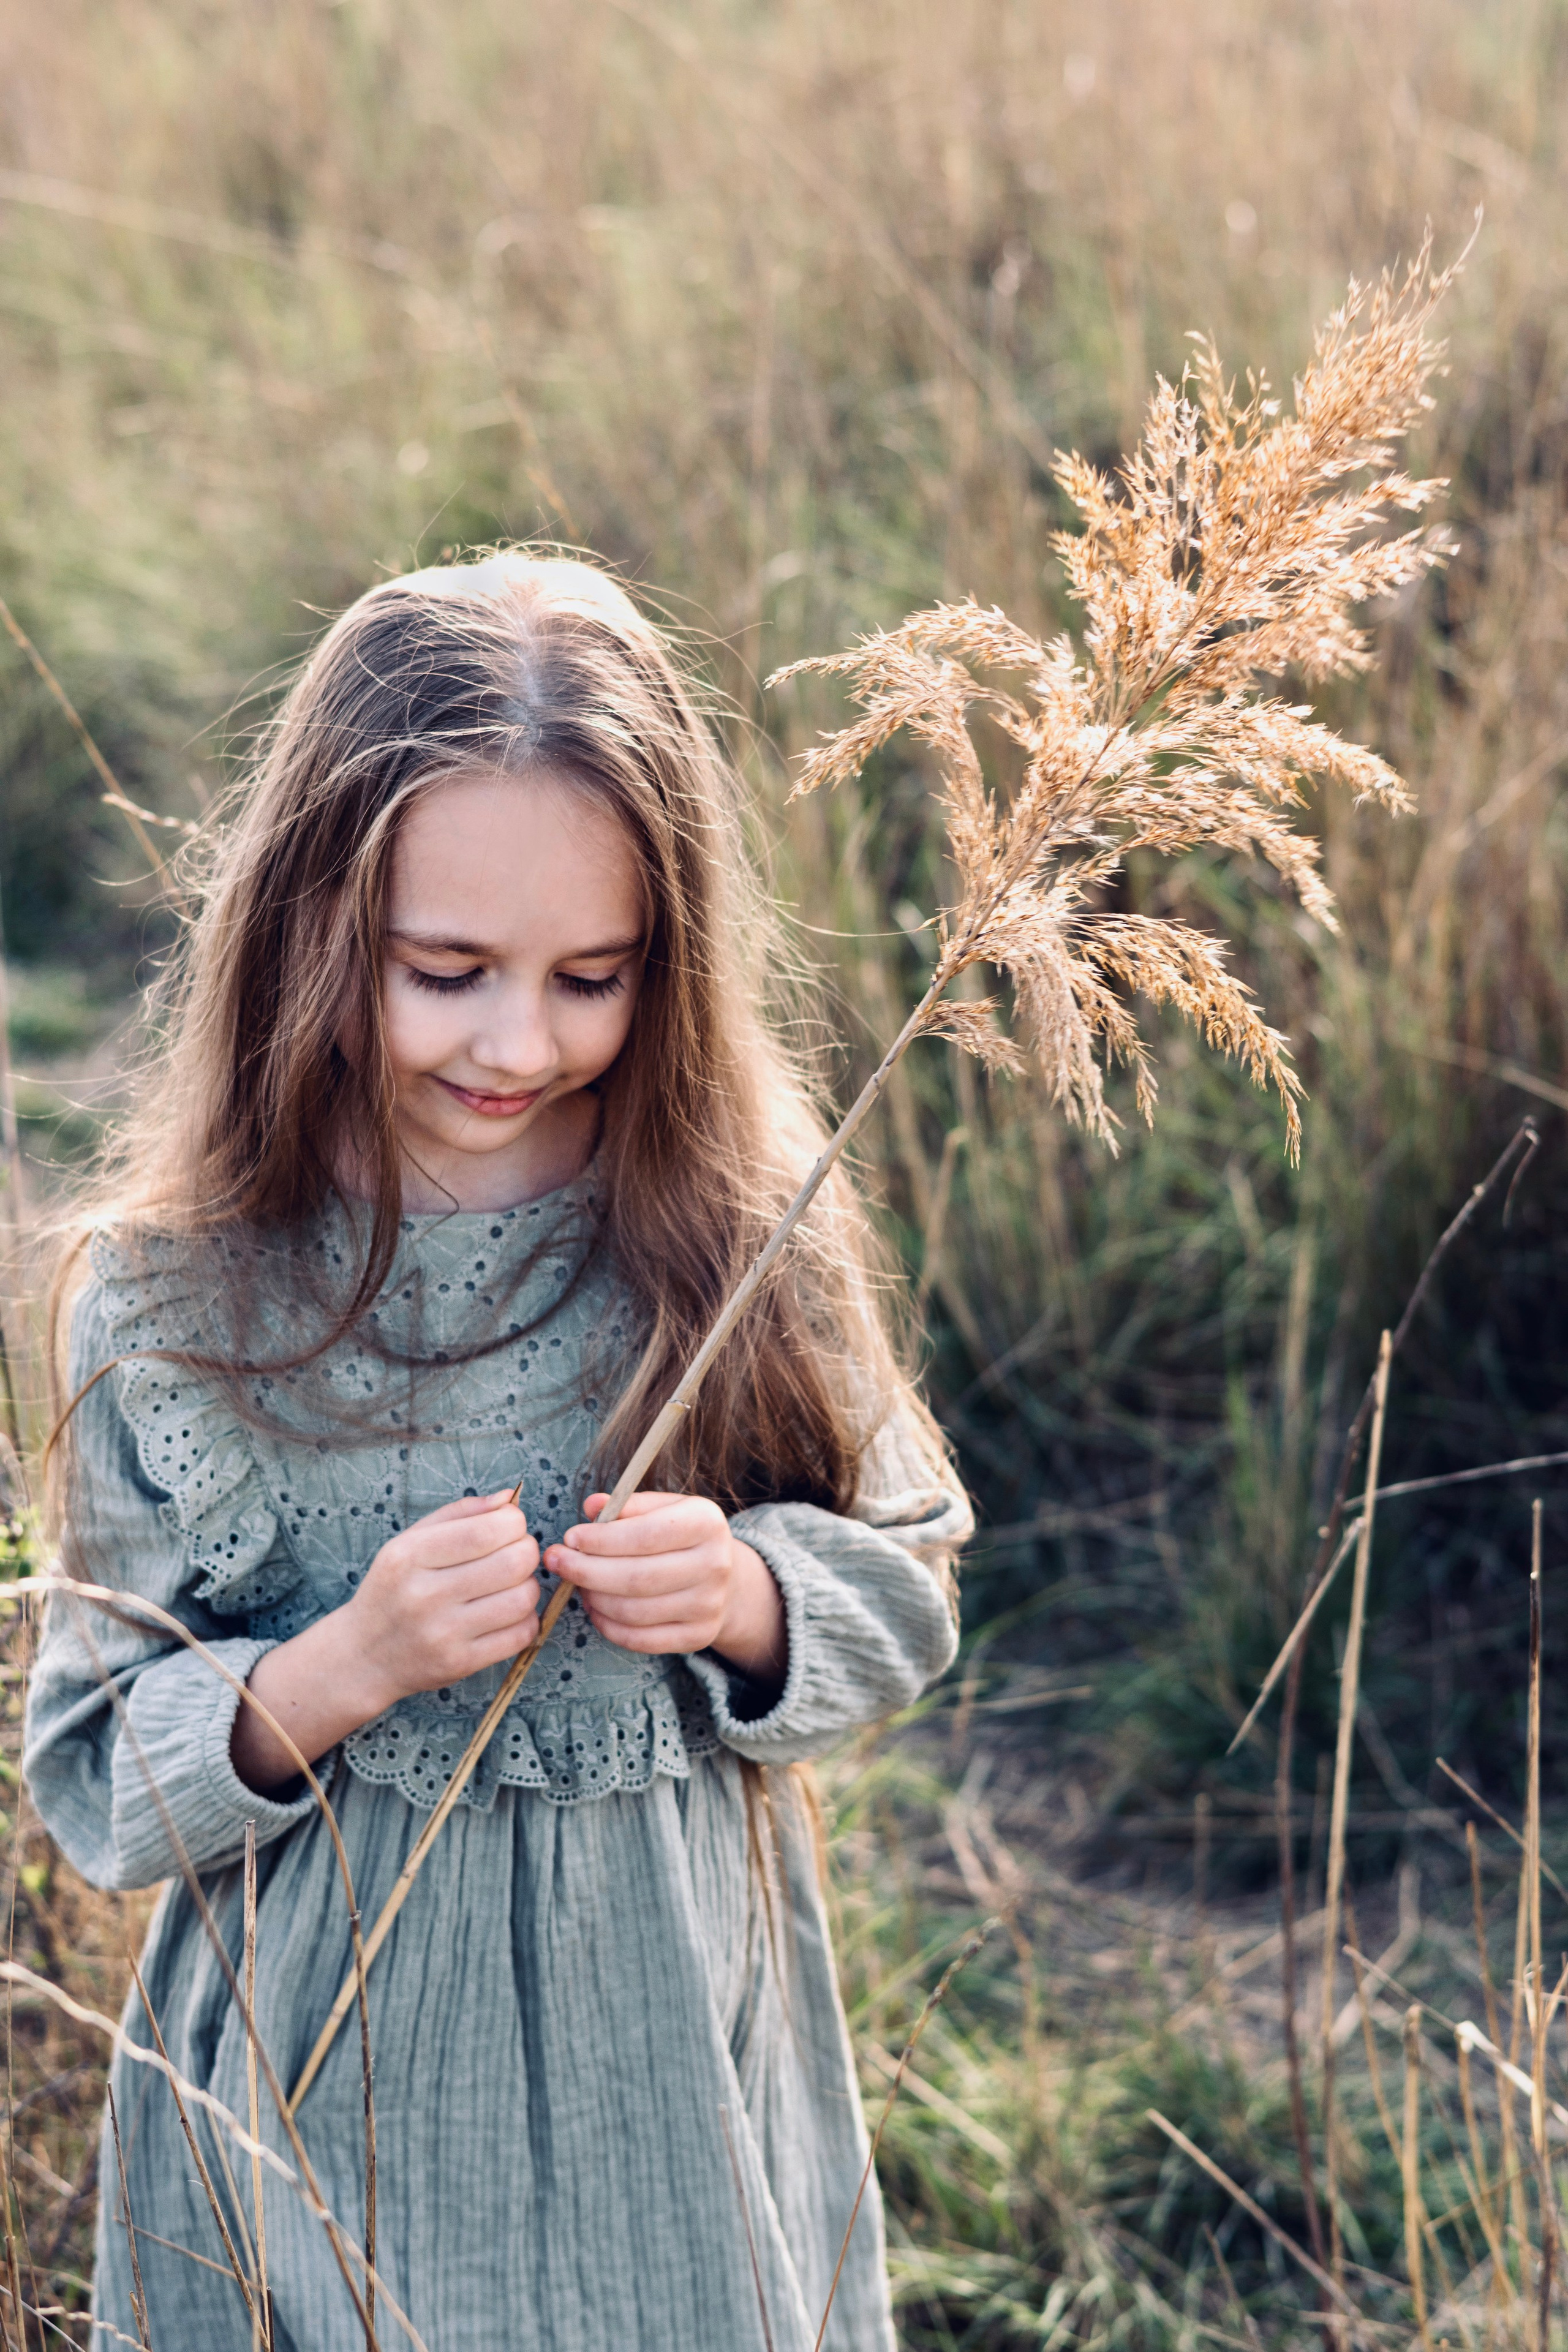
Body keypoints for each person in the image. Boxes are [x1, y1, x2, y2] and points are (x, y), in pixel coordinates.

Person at [24, 551, 970, 2352]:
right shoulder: (166, 1299)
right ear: (310, 928)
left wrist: (752, 1593)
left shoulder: (728, 1237)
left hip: (668, 2084)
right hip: (319, 2104)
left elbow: (908, 1576)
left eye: (593, 977)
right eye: (445, 972)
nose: (520, 1041)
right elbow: (91, 1783)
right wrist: (344, 1665)